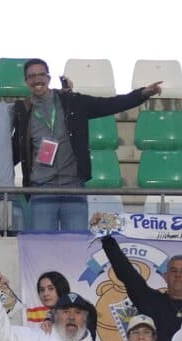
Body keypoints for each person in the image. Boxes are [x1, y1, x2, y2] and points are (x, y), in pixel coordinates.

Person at [13, 59, 161, 231]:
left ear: (48, 77)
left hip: (73, 188)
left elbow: (109, 105)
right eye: (31, 76)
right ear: (26, 81)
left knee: (77, 247)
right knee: (41, 248)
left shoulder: (72, 102)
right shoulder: (22, 110)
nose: (37, 80)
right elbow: (14, 149)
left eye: (41, 75)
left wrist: (142, 94)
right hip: (41, 190)